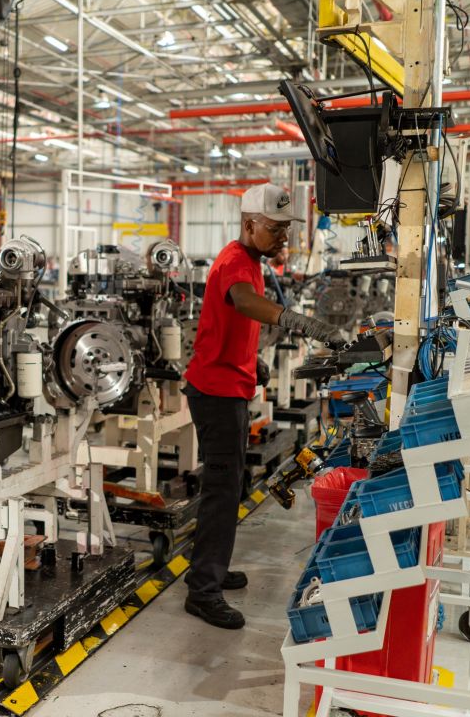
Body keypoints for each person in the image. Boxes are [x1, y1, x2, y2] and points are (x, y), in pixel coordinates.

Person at [182, 183, 342, 630]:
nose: (283, 237)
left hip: (229, 385)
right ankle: (203, 591)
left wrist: (250, 360)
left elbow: (229, 319)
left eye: (287, 229)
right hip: (216, 393)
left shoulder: (251, 261)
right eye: (275, 228)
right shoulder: (236, 261)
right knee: (221, 490)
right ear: (249, 224)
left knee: (228, 486)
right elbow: (242, 301)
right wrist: (294, 320)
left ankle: (207, 568)